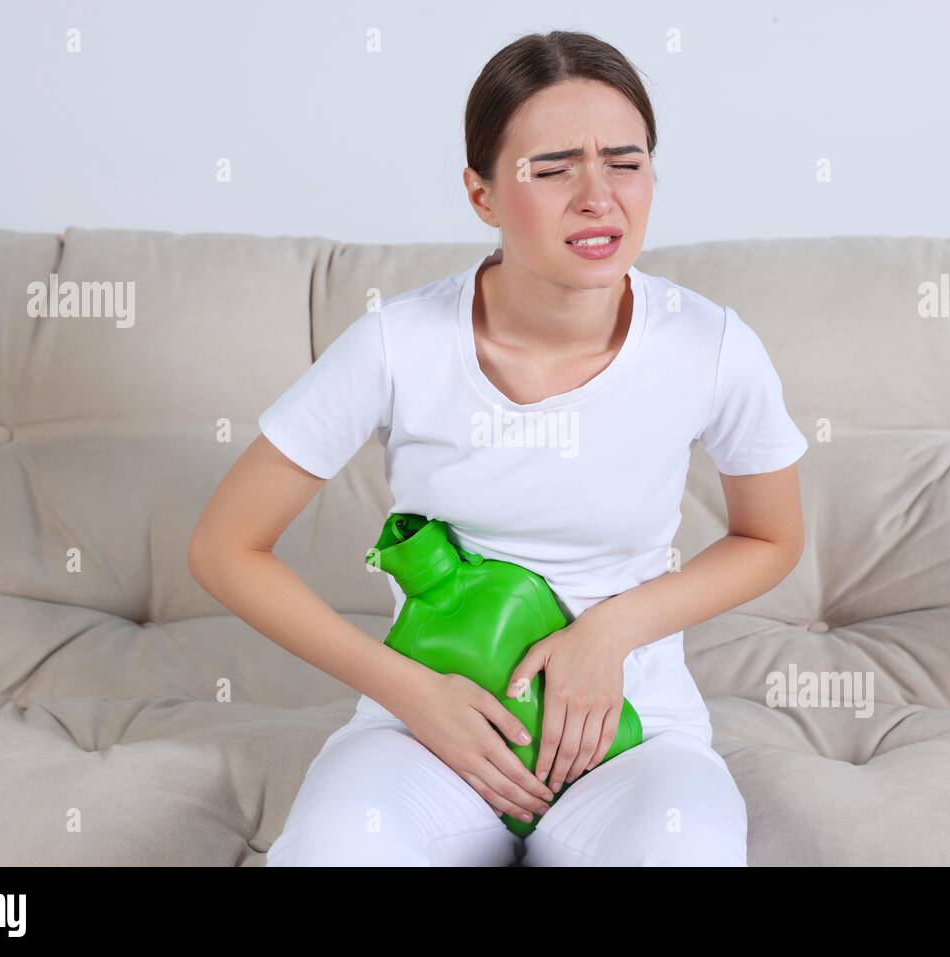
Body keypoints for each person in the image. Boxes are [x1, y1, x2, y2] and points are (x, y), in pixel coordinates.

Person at [189, 30, 807, 866]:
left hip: (631, 741)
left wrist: (612, 630)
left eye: (625, 162)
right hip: (427, 734)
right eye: (552, 169)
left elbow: (771, 536)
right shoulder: (397, 342)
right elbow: (225, 546)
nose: (598, 197)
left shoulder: (709, 344)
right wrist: (411, 691)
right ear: (480, 194)